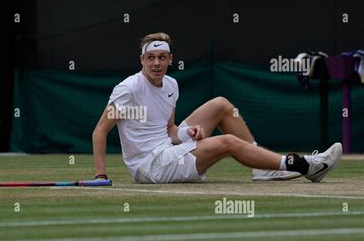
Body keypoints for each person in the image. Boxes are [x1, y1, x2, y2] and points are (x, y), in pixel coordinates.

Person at [92, 32, 342, 184]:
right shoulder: (128, 89)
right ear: (142, 60)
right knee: (227, 143)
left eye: (162, 57)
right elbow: (100, 131)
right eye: (150, 58)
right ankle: (303, 165)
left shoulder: (171, 84)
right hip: (149, 167)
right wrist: (100, 176)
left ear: (170, 59)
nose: (156, 63)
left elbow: (169, 129)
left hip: (167, 150)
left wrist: (187, 134)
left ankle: (262, 169)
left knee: (221, 105)